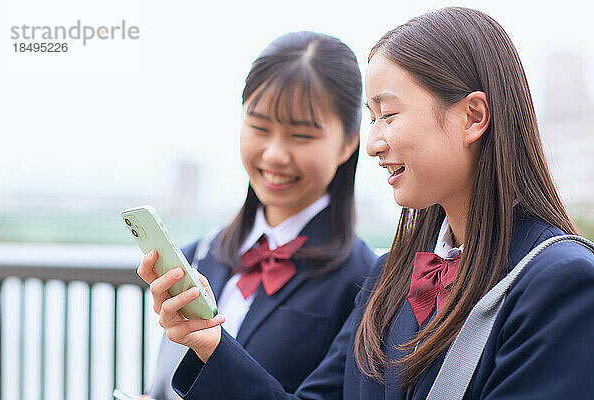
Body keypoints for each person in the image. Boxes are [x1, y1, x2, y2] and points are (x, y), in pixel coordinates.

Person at [139, 7, 594, 399]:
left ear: (472, 116)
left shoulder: (562, 282)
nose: (373, 143)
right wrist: (209, 343)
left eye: (389, 115)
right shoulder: (390, 277)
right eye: (371, 118)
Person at [136, 31, 377, 399]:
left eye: (301, 135)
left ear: (349, 142)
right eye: (260, 127)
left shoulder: (364, 282)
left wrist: (212, 347)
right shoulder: (202, 253)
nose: (275, 154)